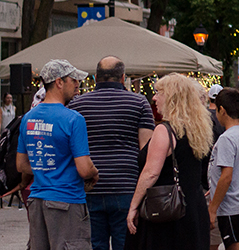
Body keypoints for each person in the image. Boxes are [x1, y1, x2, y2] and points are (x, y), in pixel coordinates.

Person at [68, 56, 155, 250]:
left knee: (94, 244)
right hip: (127, 187)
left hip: (89, 187)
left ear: (96, 77)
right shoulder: (139, 103)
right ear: (123, 77)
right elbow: (147, 150)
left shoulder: (77, 105)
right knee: (125, 244)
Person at [16, 59, 99, 249]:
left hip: (37, 201)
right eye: (74, 80)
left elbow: (21, 165)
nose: (78, 84)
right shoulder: (73, 119)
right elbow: (85, 169)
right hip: (67, 200)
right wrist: (94, 173)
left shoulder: (28, 118)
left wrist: (45, 166)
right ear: (59, 82)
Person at [126, 73, 212, 249]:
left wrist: (133, 206)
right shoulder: (198, 128)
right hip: (194, 207)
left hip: (167, 209)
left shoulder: (165, 130)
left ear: (172, 97)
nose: (154, 97)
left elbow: (151, 173)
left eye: (159, 92)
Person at [207, 88, 239, 250]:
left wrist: (212, 209)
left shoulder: (227, 139)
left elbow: (226, 176)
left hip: (230, 207)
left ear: (222, 110)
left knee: (234, 245)